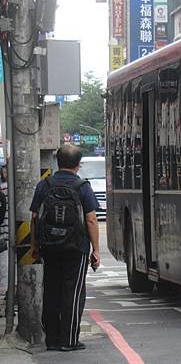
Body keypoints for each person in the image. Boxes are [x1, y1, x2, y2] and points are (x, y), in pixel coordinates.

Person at [30, 145, 100, 352]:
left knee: (51, 290)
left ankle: (51, 339)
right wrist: (95, 249)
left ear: (57, 162)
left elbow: (34, 217)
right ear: (79, 164)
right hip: (76, 248)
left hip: (49, 247)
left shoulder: (44, 185)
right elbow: (91, 219)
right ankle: (68, 340)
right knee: (73, 292)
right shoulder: (82, 187)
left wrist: (34, 245)